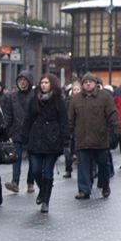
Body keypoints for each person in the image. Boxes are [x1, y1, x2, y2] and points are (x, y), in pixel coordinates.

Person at [68, 72, 121, 200]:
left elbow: (112, 114)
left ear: (95, 84)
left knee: (103, 165)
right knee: (83, 166)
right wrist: (68, 134)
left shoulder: (105, 97)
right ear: (82, 85)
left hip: (100, 138)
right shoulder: (76, 99)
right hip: (82, 138)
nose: (88, 84)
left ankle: (104, 185)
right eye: (85, 82)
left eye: (90, 82)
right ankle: (84, 190)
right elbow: (70, 118)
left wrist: (117, 128)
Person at [22, 74, 70, 213]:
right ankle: (42, 190)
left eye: (46, 83)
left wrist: (65, 140)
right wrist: (24, 137)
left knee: (48, 170)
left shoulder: (58, 100)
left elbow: (64, 121)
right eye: (42, 82)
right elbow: (28, 119)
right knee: (35, 169)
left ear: (52, 84)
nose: (43, 85)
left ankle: (46, 201)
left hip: (52, 140)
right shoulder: (34, 100)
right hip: (36, 138)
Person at [2, 70, 35, 194]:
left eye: (25, 80)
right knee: (16, 158)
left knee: (33, 160)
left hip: (32, 132)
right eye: (20, 80)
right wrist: (7, 131)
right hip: (16, 132)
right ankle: (15, 182)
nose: (22, 82)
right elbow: (8, 115)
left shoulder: (34, 95)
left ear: (29, 81)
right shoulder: (12, 96)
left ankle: (30, 182)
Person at [63, 80, 81, 178]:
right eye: (75, 89)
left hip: (79, 128)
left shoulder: (84, 100)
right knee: (67, 151)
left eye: (78, 89)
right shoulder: (67, 101)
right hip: (69, 128)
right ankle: (68, 169)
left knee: (78, 149)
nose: (76, 91)